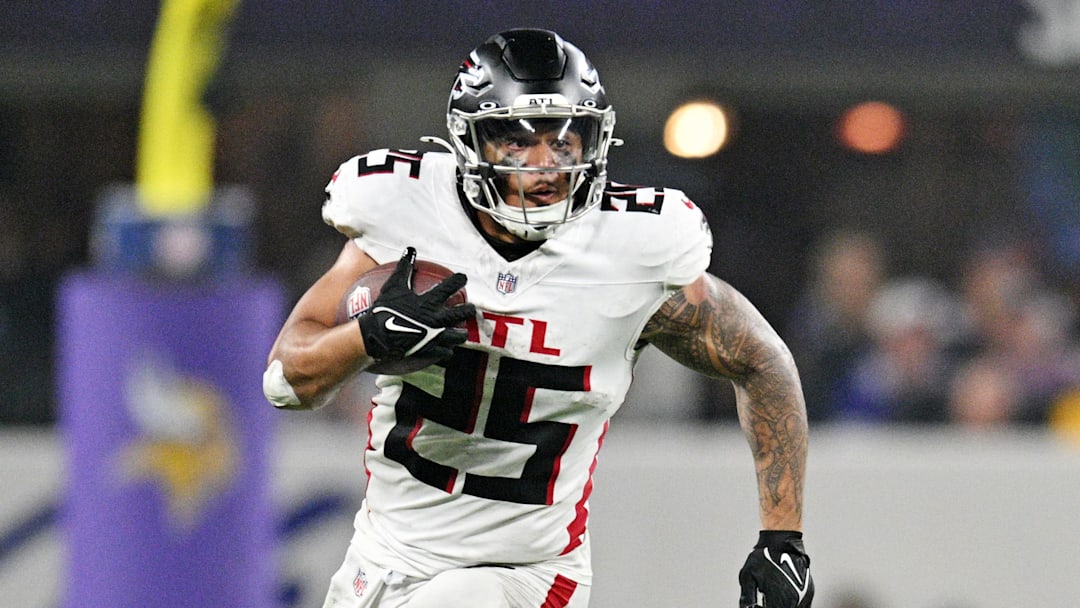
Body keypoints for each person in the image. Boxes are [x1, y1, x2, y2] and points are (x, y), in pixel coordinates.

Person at [263, 29, 812, 608]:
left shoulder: (633, 248)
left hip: (523, 573)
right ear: (471, 140)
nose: (546, 164)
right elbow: (284, 382)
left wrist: (783, 539)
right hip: (380, 559)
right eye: (518, 141)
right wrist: (365, 338)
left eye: (565, 139)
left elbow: (761, 360)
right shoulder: (405, 212)